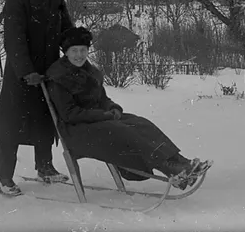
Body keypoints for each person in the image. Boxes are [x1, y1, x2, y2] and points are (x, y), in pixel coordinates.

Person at [45, 27, 213, 190]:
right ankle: (169, 168)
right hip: (76, 131)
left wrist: (113, 108)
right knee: (122, 130)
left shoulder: (89, 71)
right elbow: (70, 114)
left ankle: (181, 163)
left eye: (83, 50)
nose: (79, 55)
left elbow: (102, 99)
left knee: (140, 123)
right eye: (74, 51)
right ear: (66, 52)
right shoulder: (59, 77)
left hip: (97, 122)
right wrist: (103, 115)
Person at [0, 0, 74, 196]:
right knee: (12, 126)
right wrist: (26, 71)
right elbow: (14, 39)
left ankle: (45, 167)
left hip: (49, 71)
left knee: (45, 120)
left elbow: (66, 31)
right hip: (22, 75)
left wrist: (77, 48)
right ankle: (5, 178)